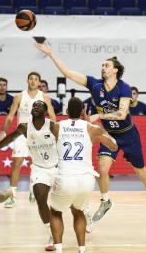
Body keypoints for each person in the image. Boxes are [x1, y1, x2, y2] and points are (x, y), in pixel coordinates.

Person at [35, 42, 146, 222]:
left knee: (141, 172)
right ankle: (105, 201)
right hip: (108, 133)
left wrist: (97, 116)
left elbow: (122, 113)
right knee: (102, 168)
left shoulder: (124, 87)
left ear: (115, 70)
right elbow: (68, 73)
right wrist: (51, 54)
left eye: (106, 65)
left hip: (127, 133)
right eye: (102, 65)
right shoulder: (95, 84)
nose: (103, 68)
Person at [48, 97, 118, 253]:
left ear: (66, 111)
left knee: (55, 211)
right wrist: (99, 129)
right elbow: (114, 145)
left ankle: (58, 249)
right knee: (79, 211)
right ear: (83, 112)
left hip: (66, 177)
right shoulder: (92, 128)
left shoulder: (57, 127)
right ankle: (82, 249)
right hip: (86, 179)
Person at [0, 100, 58, 251]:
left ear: (45, 112)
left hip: (57, 167)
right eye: (34, 105)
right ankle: (51, 233)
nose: (35, 107)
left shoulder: (52, 125)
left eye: (39, 106)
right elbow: (9, 138)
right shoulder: (25, 127)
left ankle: (85, 212)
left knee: (69, 202)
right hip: (40, 169)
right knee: (40, 198)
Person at [0, 72, 56, 208]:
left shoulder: (44, 97)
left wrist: (53, 132)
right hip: (22, 134)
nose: (33, 81)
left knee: (38, 165)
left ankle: (32, 191)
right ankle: (12, 195)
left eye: (36, 79)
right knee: (17, 162)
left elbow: (52, 115)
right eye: (31, 79)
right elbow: (10, 116)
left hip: (40, 136)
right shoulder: (19, 96)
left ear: (39, 82)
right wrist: (3, 131)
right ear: (27, 81)